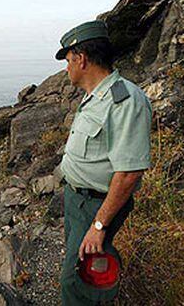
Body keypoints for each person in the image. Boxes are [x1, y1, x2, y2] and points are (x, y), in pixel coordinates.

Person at [55, 20, 152, 305]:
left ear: (81, 59)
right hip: (76, 199)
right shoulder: (94, 96)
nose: (67, 68)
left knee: (76, 281)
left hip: (96, 204)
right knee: (81, 266)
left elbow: (129, 173)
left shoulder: (125, 101)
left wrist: (98, 226)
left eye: (69, 60)